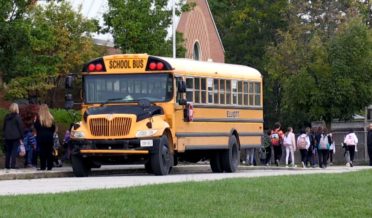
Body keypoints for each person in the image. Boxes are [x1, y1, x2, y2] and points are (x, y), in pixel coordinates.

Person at [2, 103, 24, 170]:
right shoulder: (17, 117)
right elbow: (20, 127)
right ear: (16, 108)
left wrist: (4, 134)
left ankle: (7, 165)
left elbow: (4, 126)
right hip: (15, 136)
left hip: (7, 136)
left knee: (8, 151)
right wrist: (21, 136)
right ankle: (13, 165)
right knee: (14, 151)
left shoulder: (6, 117)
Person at [34, 104, 56, 171]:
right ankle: (50, 166)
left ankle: (42, 167)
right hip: (49, 137)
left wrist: (34, 122)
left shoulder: (38, 119)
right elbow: (53, 128)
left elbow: (37, 128)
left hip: (41, 137)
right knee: (49, 151)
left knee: (42, 152)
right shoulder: (51, 118)